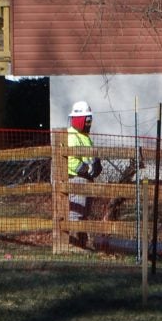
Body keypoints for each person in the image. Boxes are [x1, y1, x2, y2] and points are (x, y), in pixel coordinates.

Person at [67, 101, 102, 245]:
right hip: (76, 179)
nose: (89, 123)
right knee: (77, 212)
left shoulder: (84, 136)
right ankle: (74, 242)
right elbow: (71, 160)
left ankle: (81, 243)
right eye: (87, 120)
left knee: (84, 213)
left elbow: (92, 155)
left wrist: (97, 164)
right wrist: (86, 169)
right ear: (80, 119)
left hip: (86, 179)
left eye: (90, 120)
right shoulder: (71, 136)